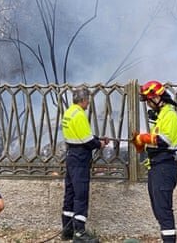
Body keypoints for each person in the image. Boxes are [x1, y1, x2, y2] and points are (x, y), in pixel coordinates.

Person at [132, 80, 177, 243]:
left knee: (164, 210)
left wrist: (143, 137)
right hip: (156, 167)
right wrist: (140, 145)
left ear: (157, 97)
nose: (148, 104)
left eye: (148, 100)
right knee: (159, 210)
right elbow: (152, 145)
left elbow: (164, 141)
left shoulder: (170, 115)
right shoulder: (161, 117)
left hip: (164, 167)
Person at [61, 87, 108, 242]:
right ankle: (80, 233)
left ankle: (67, 230)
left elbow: (80, 134)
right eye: (87, 99)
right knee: (81, 195)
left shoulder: (69, 112)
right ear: (83, 100)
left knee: (70, 193)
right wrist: (99, 144)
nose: (88, 102)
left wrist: (96, 138)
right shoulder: (80, 115)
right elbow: (87, 140)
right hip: (80, 158)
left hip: (71, 155)